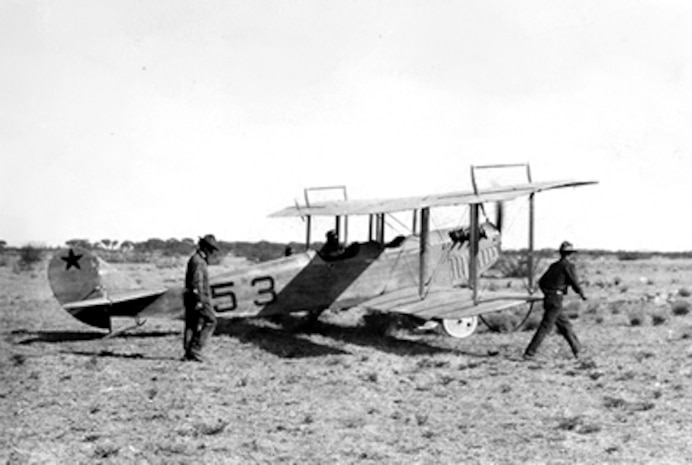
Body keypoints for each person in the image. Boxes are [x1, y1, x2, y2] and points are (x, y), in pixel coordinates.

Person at [523, 241, 587, 361]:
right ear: (570, 254)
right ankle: (529, 352)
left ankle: (578, 351)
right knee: (545, 327)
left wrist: (548, 293)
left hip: (550, 299)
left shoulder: (553, 266)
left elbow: (541, 282)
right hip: (556, 300)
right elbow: (574, 282)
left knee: (565, 326)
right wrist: (582, 294)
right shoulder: (568, 266)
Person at [183, 234, 219, 362]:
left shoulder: (195, 259)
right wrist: (199, 300)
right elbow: (196, 283)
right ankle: (196, 349)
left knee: (191, 324)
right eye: (210, 248)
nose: (212, 251)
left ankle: (189, 352)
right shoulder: (199, 261)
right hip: (200, 298)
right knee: (211, 321)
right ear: (206, 248)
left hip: (191, 297)